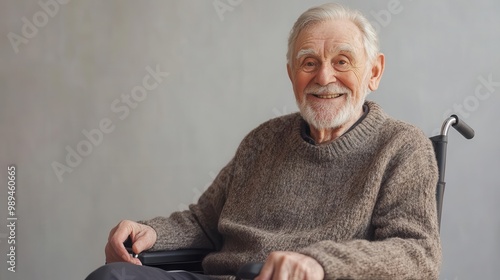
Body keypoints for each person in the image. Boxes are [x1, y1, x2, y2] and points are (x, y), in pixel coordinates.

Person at [87, 2, 441, 279]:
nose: (324, 76)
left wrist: (319, 264)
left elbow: (417, 254)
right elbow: (203, 222)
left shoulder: (401, 147)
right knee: (113, 276)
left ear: (374, 72)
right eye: (309, 62)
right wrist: (150, 232)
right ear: (291, 74)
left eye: (342, 61)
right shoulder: (264, 140)